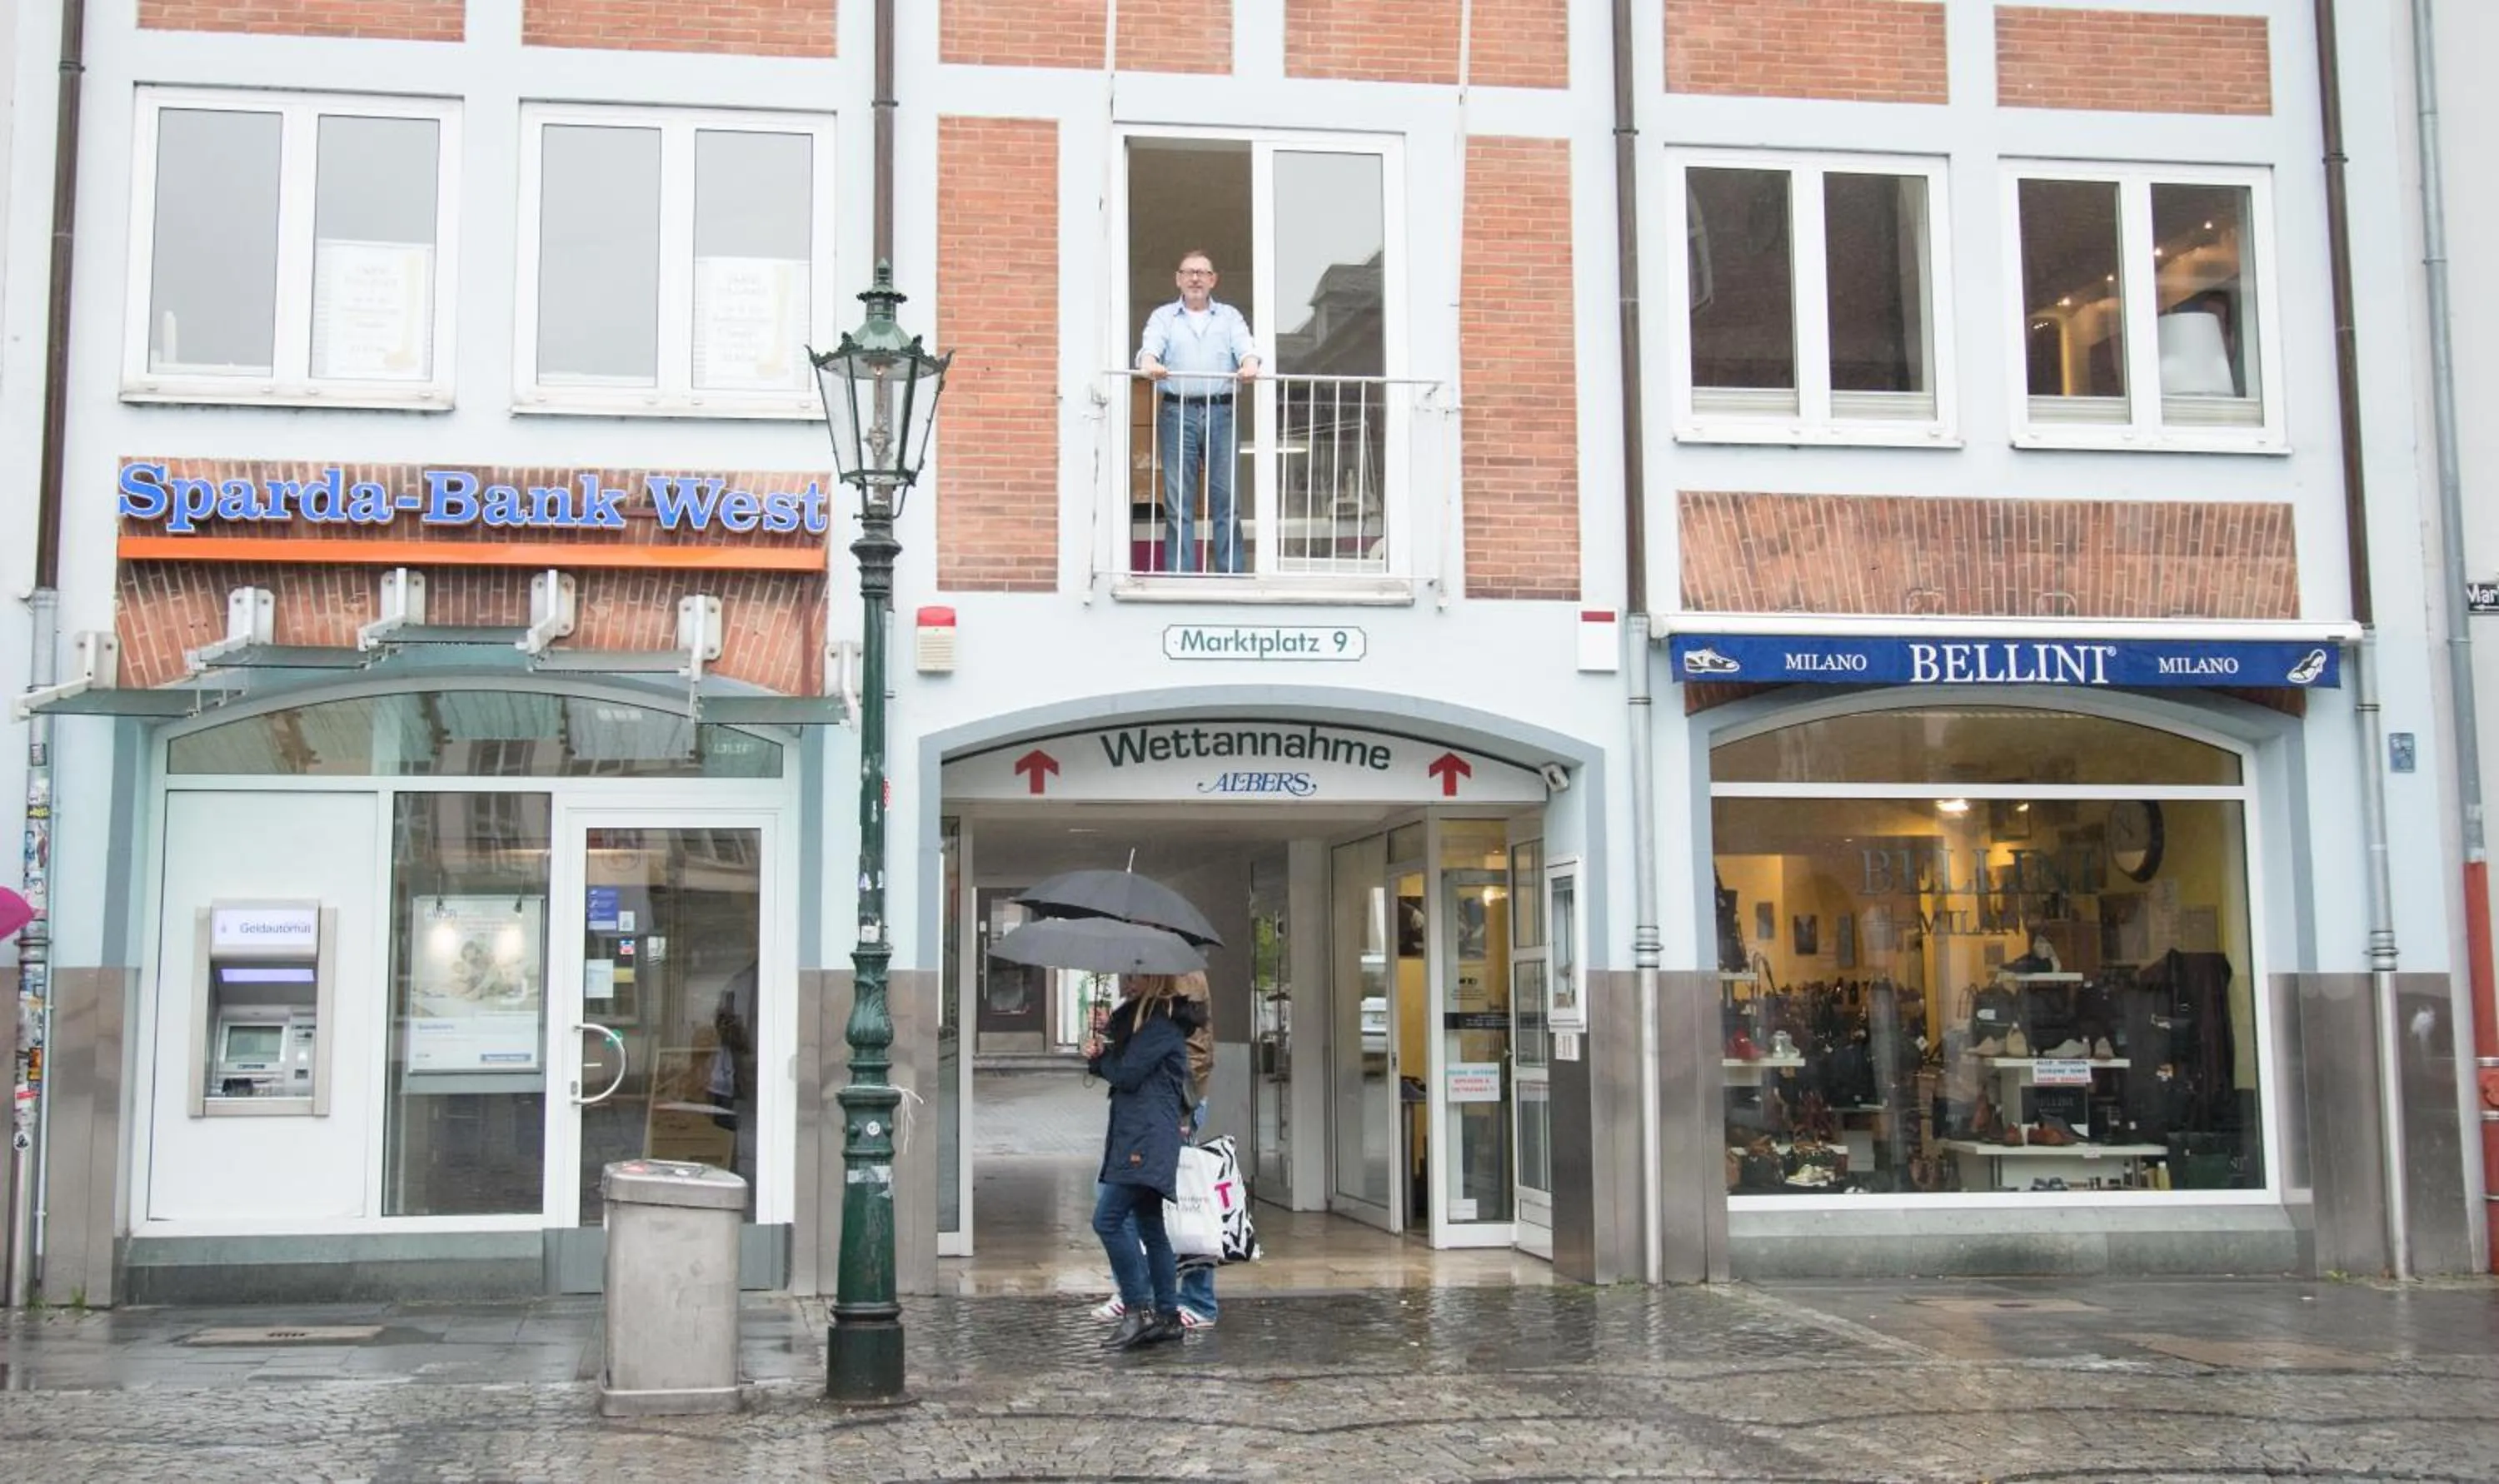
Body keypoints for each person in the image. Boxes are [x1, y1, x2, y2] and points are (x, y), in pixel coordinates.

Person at [1090, 972, 1221, 1329]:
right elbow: (1129, 1061)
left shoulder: (1161, 1023)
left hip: (1147, 1135)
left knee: (1108, 1218)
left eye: (1133, 981)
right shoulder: (1150, 1020)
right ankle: (1166, 1314)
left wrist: (1104, 1059)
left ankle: (1139, 1305)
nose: (1126, 985)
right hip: (1141, 1131)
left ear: (1153, 980)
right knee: (1150, 1224)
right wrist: (1105, 1046)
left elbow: (1130, 1073)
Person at [1136, 251, 1261, 575]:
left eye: (1202, 273)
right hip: (1179, 413)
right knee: (1179, 503)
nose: (1195, 278)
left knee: (1227, 501)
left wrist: (1250, 363)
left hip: (1221, 413)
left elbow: (1246, 348)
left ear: (1213, 280)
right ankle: (1180, 576)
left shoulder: (1229, 317)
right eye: (1189, 272)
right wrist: (1150, 364)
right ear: (1178, 279)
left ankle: (1230, 575)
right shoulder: (1164, 317)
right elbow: (1149, 349)